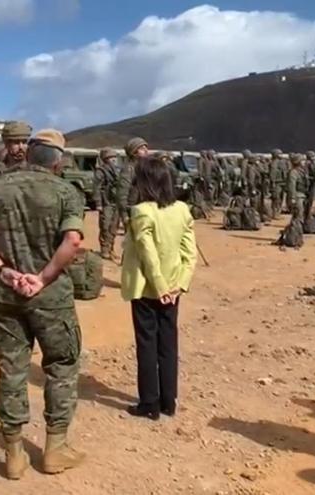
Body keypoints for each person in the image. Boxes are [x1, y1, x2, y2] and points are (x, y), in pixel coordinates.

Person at [0, 129, 86, 479]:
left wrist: (2, 270)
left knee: (12, 370)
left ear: (29, 154)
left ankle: (15, 454)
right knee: (61, 367)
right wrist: (44, 276)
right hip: (51, 299)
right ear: (58, 160)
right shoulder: (66, 191)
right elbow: (73, 241)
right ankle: (55, 449)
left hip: (6, 297)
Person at [120, 156, 197, 420]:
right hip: (173, 288)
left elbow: (147, 252)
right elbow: (190, 254)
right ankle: (168, 400)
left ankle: (149, 403)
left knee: (147, 344)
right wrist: (179, 284)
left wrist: (160, 285)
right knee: (168, 344)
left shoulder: (141, 211)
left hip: (146, 288)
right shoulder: (181, 210)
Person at [0, 121, 31, 189]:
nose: (21, 147)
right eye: (16, 143)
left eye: (24, 142)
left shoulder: (33, 169)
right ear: (6, 144)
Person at [94, 148, 120, 260]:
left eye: (114, 157)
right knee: (105, 226)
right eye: (111, 158)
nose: (113, 160)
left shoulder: (118, 171)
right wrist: (98, 203)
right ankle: (104, 250)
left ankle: (111, 248)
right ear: (105, 159)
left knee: (114, 227)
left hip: (116, 202)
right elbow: (96, 188)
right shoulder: (100, 171)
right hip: (106, 202)